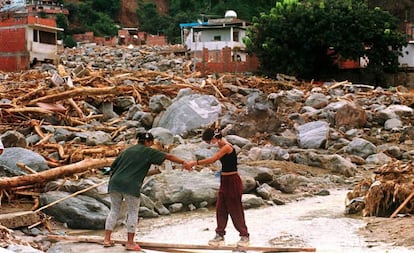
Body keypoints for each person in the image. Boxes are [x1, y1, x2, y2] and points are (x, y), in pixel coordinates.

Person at [103, 131, 190, 251]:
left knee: (114, 210)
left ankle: (107, 239)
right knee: (133, 212)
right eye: (151, 142)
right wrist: (183, 162)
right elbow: (167, 156)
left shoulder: (127, 150)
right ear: (148, 142)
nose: (152, 144)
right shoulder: (148, 151)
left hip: (115, 183)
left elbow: (113, 168)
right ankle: (130, 243)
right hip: (131, 186)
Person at [185, 128, 249, 247]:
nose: (210, 144)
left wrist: (194, 163)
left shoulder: (226, 147)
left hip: (233, 180)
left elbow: (213, 159)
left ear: (214, 138)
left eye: (210, 141)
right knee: (221, 208)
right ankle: (220, 235)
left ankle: (244, 235)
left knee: (235, 209)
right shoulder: (221, 146)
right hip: (224, 181)